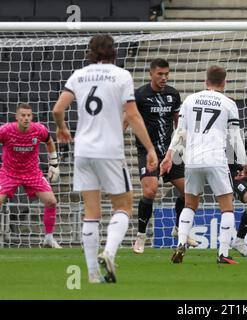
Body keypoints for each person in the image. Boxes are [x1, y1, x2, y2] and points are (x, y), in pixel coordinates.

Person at [53, 35, 158, 283]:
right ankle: (109, 252)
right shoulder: (121, 76)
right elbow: (132, 115)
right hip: (109, 150)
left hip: (83, 151)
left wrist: (62, 128)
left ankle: (91, 273)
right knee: (123, 207)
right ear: (113, 52)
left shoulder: (79, 75)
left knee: (91, 212)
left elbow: (58, 109)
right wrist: (150, 148)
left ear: (90, 52)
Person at [160, 65, 247, 264]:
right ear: (224, 82)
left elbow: (180, 132)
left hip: (192, 160)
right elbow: (235, 138)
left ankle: (181, 243)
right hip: (215, 159)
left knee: (190, 204)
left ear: (206, 80)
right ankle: (223, 253)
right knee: (227, 208)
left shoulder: (190, 100)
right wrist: (245, 164)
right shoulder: (228, 103)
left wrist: (169, 156)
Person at [129, 58, 197, 254]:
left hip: (171, 151)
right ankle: (141, 236)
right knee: (150, 191)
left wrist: (182, 147)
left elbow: (179, 124)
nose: (164, 78)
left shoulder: (173, 94)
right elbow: (129, 119)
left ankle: (178, 228)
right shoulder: (140, 95)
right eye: (160, 74)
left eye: (166, 74)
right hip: (148, 151)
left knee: (188, 192)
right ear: (151, 74)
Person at [0, 103, 61, 249]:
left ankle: (48, 239)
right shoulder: (5, 130)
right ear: (17, 117)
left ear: (31, 116)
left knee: (51, 201)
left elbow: (49, 142)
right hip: (9, 173)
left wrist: (54, 164)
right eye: (23, 115)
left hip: (32, 172)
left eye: (28, 115)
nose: (26, 118)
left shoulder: (39, 129)